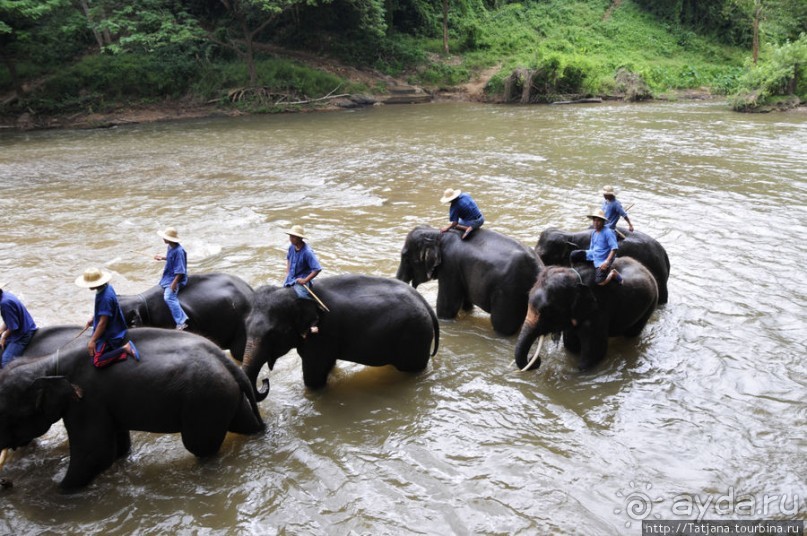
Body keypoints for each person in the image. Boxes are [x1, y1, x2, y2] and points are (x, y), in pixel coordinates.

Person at [75, 267, 139, 368]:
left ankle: (124, 348)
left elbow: (103, 323)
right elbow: (105, 312)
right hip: (116, 322)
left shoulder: (105, 298)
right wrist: (93, 318)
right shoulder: (107, 287)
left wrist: (92, 341)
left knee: (97, 361)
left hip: (111, 331)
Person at [283, 224, 322, 334]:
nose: (291, 238)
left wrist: (305, 280)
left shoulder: (307, 252)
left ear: (300, 238)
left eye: (293, 237)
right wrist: (288, 273)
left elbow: (317, 269)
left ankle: (314, 319)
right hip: (291, 278)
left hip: (303, 279)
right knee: (283, 292)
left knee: (302, 296)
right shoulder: (291, 247)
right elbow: (289, 260)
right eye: (290, 236)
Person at [569, 208, 623, 286]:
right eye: (594, 220)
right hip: (593, 254)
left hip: (603, 258)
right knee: (573, 254)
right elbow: (592, 247)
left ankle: (613, 274)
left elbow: (614, 248)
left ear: (603, 222)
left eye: (598, 221)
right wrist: (588, 254)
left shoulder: (608, 232)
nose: (596, 223)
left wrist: (606, 262)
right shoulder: (594, 232)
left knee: (600, 282)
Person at [154, 227, 189, 330]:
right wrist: (162, 258)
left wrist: (174, 284)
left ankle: (181, 322)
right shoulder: (170, 247)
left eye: (165, 237)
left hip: (176, 278)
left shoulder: (179, 251)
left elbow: (180, 271)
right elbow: (170, 258)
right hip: (168, 276)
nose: (163, 239)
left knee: (168, 297)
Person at [0, 283, 38, 367]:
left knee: (6, 362)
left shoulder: (4, 304)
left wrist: (3, 336)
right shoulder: (5, 295)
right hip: (24, 325)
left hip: (22, 334)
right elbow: (9, 319)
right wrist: (1, 330)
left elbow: (14, 327)